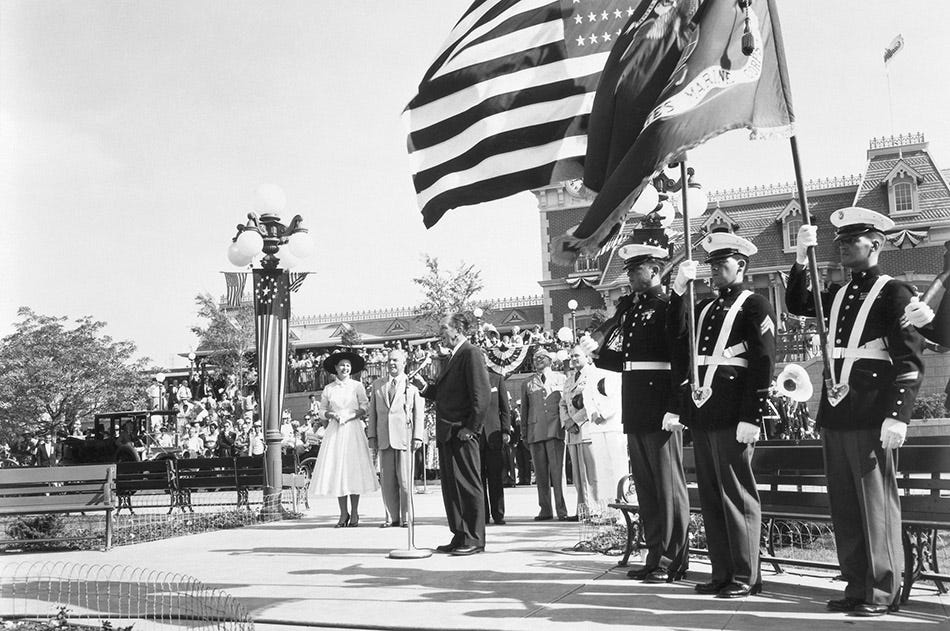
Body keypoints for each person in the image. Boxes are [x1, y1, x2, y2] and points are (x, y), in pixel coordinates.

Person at [787, 208, 924, 616]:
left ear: (876, 244)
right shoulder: (841, 293)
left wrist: (898, 415)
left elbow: (910, 361)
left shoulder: (894, 293)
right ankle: (856, 583)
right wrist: (799, 258)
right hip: (837, 411)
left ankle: (883, 590)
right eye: (840, 241)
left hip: (869, 411)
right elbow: (798, 302)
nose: (844, 246)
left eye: (853, 240)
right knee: (845, 505)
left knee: (875, 506)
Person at [670, 231, 775, 599]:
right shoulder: (706, 308)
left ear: (741, 266)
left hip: (733, 414)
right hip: (704, 413)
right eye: (711, 265)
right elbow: (679, 340)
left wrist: (753, 414)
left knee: (737, 495)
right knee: (712, 497)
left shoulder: (755, 304)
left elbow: (762, 361)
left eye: (722, 264)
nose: (714, 271)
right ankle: (722, 571)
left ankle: (746, 574)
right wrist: (680, 291)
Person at [595, 227, 690, 583]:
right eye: (630, 270)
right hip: (636, 402)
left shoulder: (669, 306)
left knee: (667, 487)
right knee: (647, 488)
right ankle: (655, 554)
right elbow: (621, 359)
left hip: (659, 404)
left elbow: (681, 357)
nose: (632, 276)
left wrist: (676, 405)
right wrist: (597, 350)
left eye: (638, 269)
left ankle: (672, 559)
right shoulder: (633, 311)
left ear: (656, 269)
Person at [412, 312, 491, 556]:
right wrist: (425, 388)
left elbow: (482, 395)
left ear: (457, 329)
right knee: (452, 488)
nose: (440, 333)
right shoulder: (453, 357)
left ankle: (474, 538)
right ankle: (460, 534)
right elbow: (448, 393)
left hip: (462, 432)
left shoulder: (471, 353)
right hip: (448, 432)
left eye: (444, 328)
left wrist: (471, 428)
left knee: (468, 485)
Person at [308, 351, 379, 527]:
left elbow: (365, 406)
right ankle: (343, 513)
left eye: (347, 365)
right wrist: (332, 414)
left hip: (353, 429)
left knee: (352, 470)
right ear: (336, 368)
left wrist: (352, 415)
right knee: (338, 470)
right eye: (341, 365)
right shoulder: (329, 389)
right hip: (336, 430)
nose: (345, 368)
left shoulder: (357, 386)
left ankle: (355, 513)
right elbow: (321, 410)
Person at [367, 349, 425, 528]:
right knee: (387, 481)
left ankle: (407, 516)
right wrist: (372, 436)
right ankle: (391, 517)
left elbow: (418, 414)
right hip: (384, 438)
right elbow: (373, 413)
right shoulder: (378, 385)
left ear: (404, 363)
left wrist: (417, 436)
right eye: (389, 361)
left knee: (405, 481)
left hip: (405, 438)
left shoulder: (412, 385)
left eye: (396, 361)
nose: (392, 364)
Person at [520, 348, 569, 521]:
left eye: (542, 357)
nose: (538, 360)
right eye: (535, 358)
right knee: (541, 474)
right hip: (535, 431)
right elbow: (524, 410)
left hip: (555, 429)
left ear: (550, 360)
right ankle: (545, 510)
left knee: (558, 472)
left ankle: (561, 510)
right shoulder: (527, 383)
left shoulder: (562, 378)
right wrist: (524, 434)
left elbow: (566, 404)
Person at [480, 368, 511, 526]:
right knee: (479, 478)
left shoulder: (497, 379)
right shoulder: (470, 378)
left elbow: (505, 408)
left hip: (494, 434)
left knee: (496, 477)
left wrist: (506, 430)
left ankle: (498, 514)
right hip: (476, 436)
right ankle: (482, 515)